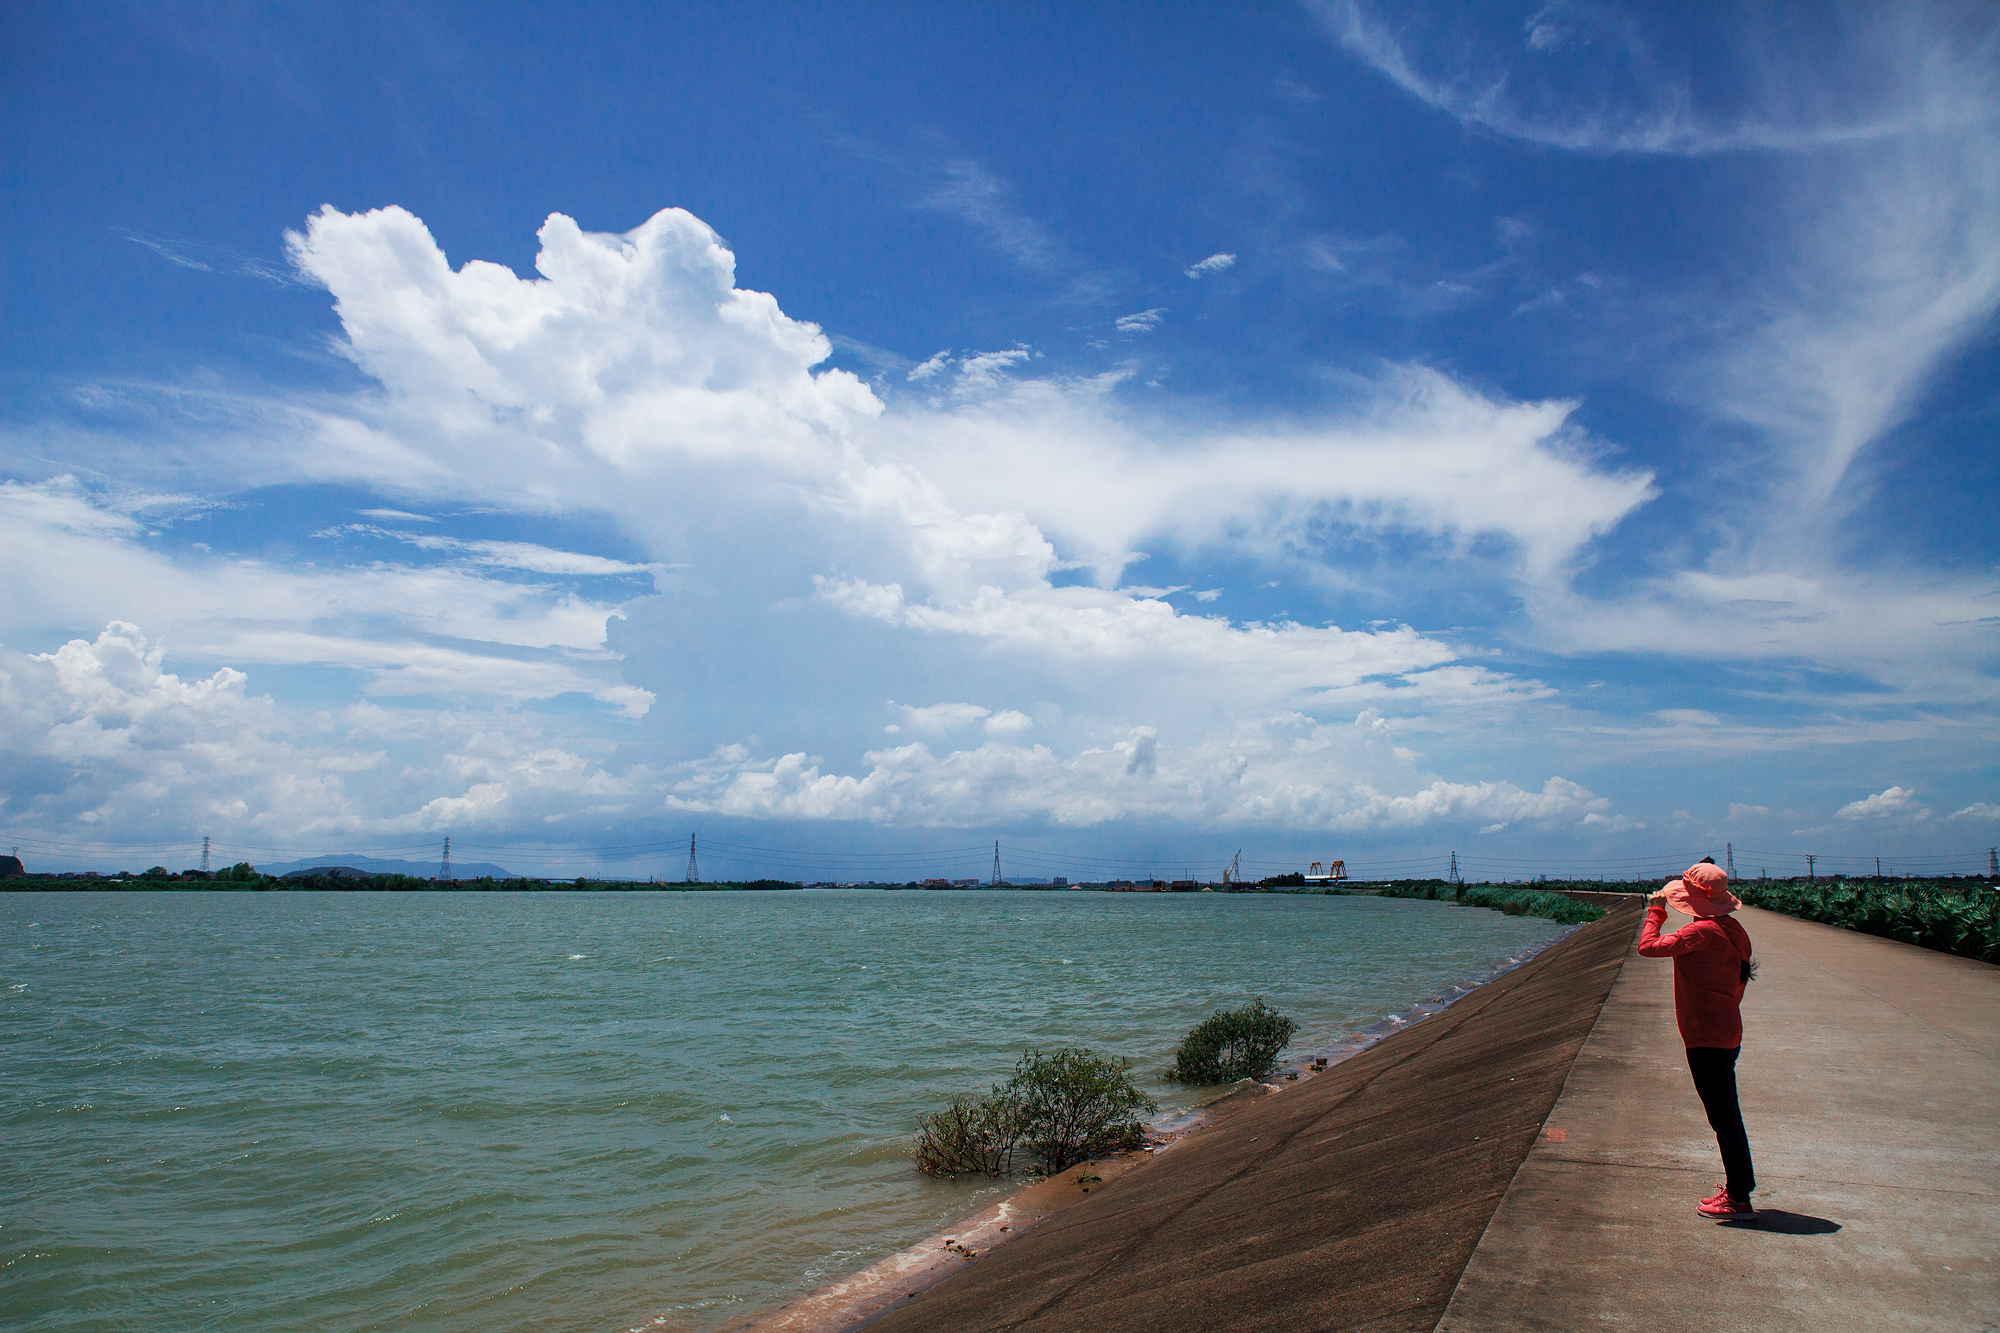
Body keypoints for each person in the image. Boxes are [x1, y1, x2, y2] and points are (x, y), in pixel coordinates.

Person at [1637, 858, 1757, 1220]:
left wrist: (1655, 913)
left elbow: (1648, 947)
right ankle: (1739, 1190)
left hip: (1705, 1037)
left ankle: (1738, 1197)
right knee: (1727, 1114)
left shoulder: (1698, 933)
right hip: (1727, 1030)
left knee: (1723, 1119)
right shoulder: (1733, 930)